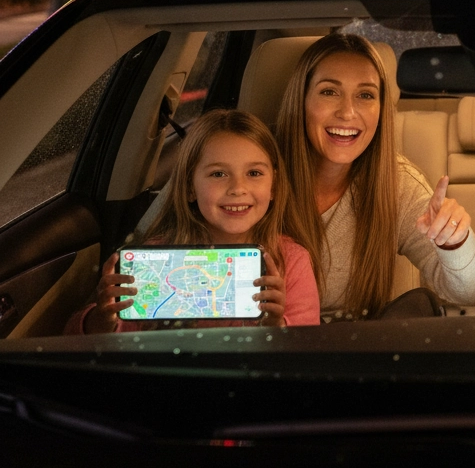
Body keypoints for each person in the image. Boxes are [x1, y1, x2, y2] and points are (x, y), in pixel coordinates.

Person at [276, 33, 475, 320]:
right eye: (329, 92)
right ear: (301, 99)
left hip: (360, 354)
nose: (348, 112)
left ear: (382, 110)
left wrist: (454, 241)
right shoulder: (254, 174)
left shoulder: (395, 184)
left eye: (365, 95)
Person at [68, 109, 320, 334]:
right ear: (190, 187)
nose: (237, 188)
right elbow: (79, 334)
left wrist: (276, 326)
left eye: (254, 173)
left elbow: (306, 349)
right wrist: (104, 318)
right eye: (218, 174)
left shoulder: (291, 261)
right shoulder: (156, 258)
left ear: (273, 185)